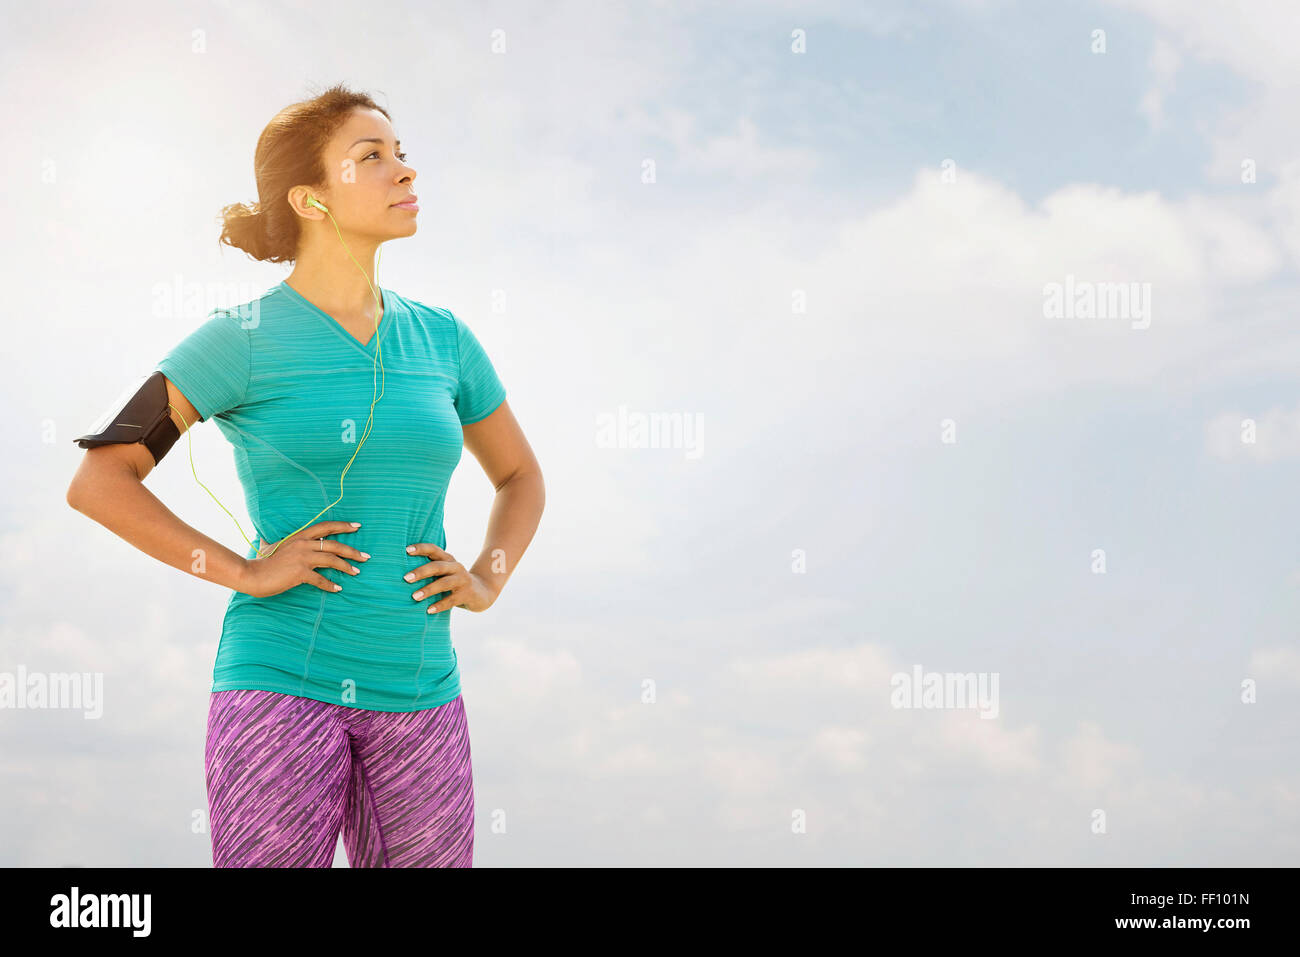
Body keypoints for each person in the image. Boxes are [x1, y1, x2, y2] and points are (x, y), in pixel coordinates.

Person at [64, 83, 545, 868]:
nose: (404, 172)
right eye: (372, 156)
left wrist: (488, 577)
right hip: (280, 682)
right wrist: (246, 571)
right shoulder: (240, 339)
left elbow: (521, 475)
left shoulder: (446, 339)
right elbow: (101, 478)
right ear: (311, 199)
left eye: (402, 153)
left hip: (423, 692)